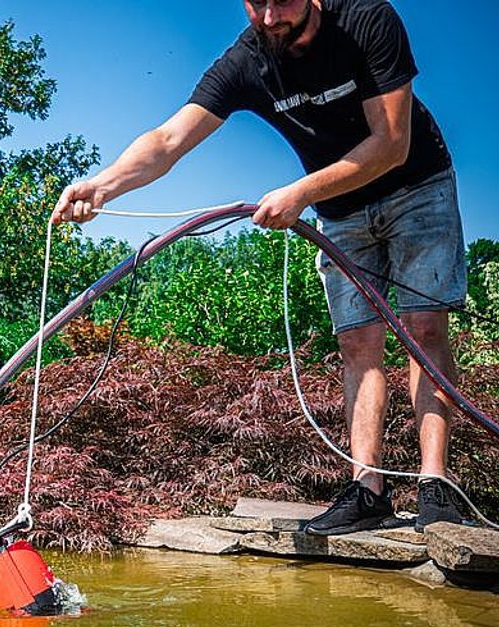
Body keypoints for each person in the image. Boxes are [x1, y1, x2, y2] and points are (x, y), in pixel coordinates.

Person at [52, 0, 470, 536]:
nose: (270, 17)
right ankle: (368, 490)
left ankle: (436, 485)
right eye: (256, 3)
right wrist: (102, 186)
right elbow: (168, 140)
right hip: (340, 212)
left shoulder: (366, 19)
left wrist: (301, 192)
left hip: (417, 187)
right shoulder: (246, 61)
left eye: (282, 1)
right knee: (358, 342)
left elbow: (392, 143)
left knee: (424, 328)